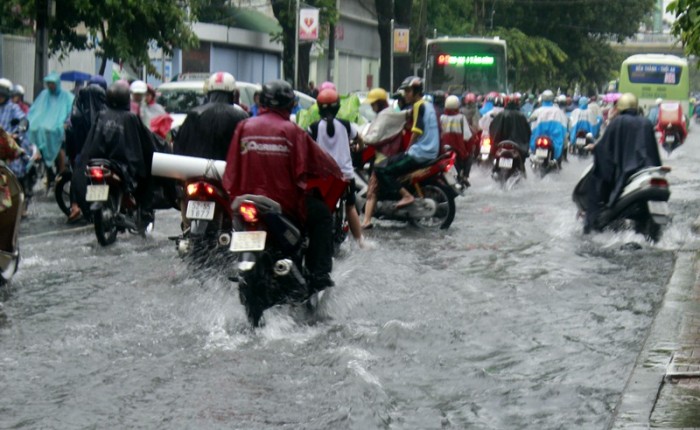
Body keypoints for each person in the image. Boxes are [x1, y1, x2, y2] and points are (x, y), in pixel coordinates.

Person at [222, 80, 345, 294]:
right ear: (289, 104)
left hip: (246, 202)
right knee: (323, 216)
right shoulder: (292, 131)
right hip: (285, 205)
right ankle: (319, 274)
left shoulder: (244, 126)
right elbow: (319, 163)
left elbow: (231, 170)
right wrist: (336, 172)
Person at [77, 82, 159, 224]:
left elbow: (90, 142)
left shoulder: (101, 115)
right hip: (123, 164)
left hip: (99, 161)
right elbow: (145, 140)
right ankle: (143, 210)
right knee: (145, 177)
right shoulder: (130, 118)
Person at [583, 93, 661, 233]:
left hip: (626, 171)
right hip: (647, 170)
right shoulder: (646, 122)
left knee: (596, 182)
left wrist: (596, 149)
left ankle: (592, 225)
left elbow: (605, 149)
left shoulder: (617, 122)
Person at [372, 76, 439, 212]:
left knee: (381, 169)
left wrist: (408, 149)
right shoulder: (428, 105)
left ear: (416, 91)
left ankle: (406, 195)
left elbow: (417, 131)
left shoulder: (418, 105)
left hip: (420, 152)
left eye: (408, 91)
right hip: (431, 150)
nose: (406, 94)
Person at [308, 89, 364, 247]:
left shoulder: (313, 127)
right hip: (346, 175)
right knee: (350, 206)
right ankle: (360, 241)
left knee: (321, 207)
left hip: (324, 178)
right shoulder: (346, 125)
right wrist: (359, 147)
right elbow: (360, 139)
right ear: (337, 107)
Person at [359, 87, 408, 228]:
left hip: (384, 157)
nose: (371, 106)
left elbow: (375, 136)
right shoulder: (386, 114)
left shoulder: (385, 116)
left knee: (372, 189)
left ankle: (367, 220)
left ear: (379, 103)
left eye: (373, 103)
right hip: (388, 154)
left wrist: (362, 139)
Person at [175, 72, 248, 161]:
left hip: (197, 169)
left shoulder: (194, 114)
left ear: (209, 93)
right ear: (233, 94)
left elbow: (180, 146)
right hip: (228, 170)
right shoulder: (241, 116)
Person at [64, 78, 107, 221]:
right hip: (102, 154)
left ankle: (75, 206)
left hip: (81, 154)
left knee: (76, 174)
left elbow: (69, 130)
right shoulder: (107, 107)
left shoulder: (77, 106)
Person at [27, 72, 74, 174]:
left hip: (58, 127)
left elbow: (71, 111)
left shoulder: (66, 96)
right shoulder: (44, 94)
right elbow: (35, 110)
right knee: (33, 131)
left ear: (57, 83)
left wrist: (66, 123)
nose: (50, 85)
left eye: (52, 83)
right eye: (48, 83)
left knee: (59, 143)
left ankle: (62, 171)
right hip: (42, 127)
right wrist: (30, 121)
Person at [0, 78, 34, 215]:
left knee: (16, 170)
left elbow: (23, 121)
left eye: (2, 95)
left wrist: (16, 134)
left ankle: (21, 200)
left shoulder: (13, 108)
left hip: (10, 146)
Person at [529, 89, 568, 164]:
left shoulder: (537, 111)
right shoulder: (558, 111)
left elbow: (531, 127)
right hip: (554, 141)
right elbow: (564, 128)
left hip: (538, 139)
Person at [440, 95, 473, 185]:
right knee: (470, 156)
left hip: (443, 149)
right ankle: (465, 176)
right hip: (458, 150)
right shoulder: (461, 118)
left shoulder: (441, 118)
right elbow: (467, 136)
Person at [489, 94, 531, 162]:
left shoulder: (500, 115)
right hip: (519, 146)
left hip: (501, 145)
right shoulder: (521, 116)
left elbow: (493, 130)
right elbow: (527, 132)